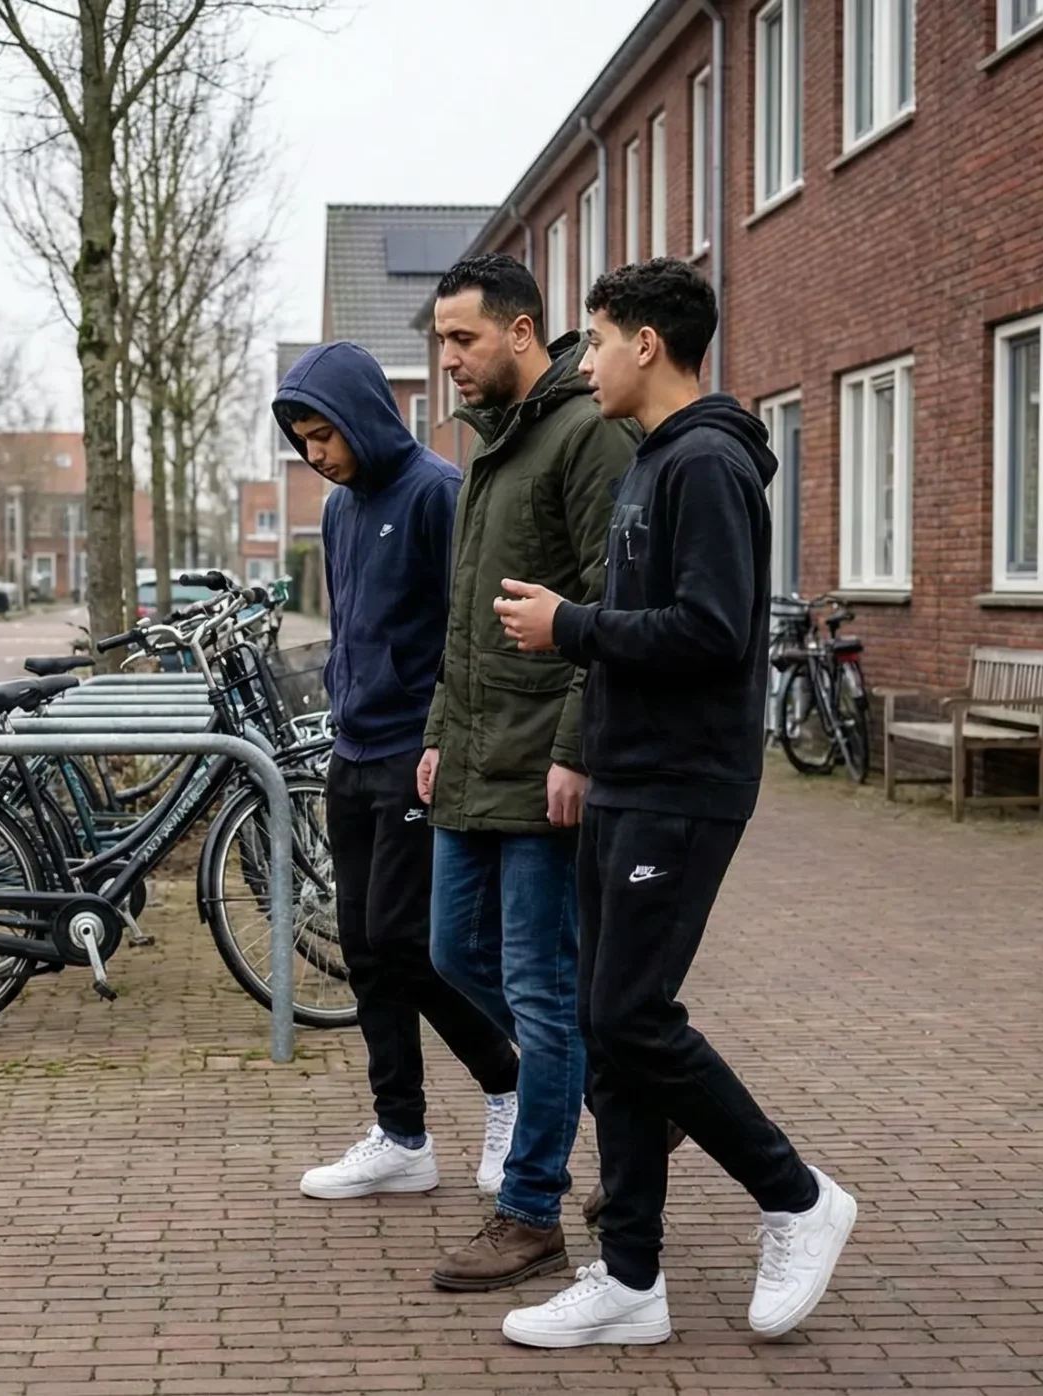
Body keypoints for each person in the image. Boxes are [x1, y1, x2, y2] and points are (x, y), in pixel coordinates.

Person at [490, 259, 857, 1348]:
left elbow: (712, 629)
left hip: (683, 786)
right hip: (627, 776)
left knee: (629, 1019)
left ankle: (796, 1196)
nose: (584, 363)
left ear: (646, 344)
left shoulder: (706, 463)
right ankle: (629, 1280)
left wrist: (570, 626)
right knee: (608, 1035)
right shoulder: (654, 460)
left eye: (597, 340)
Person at [418, 255, 634, 1293]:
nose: (447, 360)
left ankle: (532, 1209)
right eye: (439, 342)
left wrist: (576, 746)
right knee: (452, 952)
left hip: (543, 760)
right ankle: (635, 1087)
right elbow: (464, 617)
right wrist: (436, 730)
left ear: (521, 330)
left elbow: (610, 602)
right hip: (473, 755)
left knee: (541, 992)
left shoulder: (586, 434)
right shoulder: (490, 447)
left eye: (462, 338)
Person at [273, 341, 522, 1204]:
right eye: (303, 441)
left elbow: (472, 632)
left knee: (408, 943)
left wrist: (448, 739)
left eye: (324, 435)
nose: (315, 454)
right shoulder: (339, 509)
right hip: (351, 754)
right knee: (365, 953)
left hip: (418, 756)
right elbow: (353, 626)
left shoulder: (437, 493)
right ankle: (402, 1136)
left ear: (363, 416)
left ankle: (507, 1085)